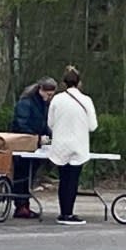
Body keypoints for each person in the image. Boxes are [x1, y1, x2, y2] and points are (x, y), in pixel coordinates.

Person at [47, 65, 98, 225]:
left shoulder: (56, 99)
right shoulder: (86, 100)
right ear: (79, 82)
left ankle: (63, 212)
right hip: (78, 145)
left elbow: (50, 123)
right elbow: (93, 126)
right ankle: (69, 213)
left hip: (60, 145)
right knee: (73, 180)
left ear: (64, 83)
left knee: (63, 179)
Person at [10, 77, 56, 218]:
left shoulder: (42, 105)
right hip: (24, 144)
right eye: (48, 95)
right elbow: (21, 125)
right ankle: (20, 204)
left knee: (28, 176)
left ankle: (24, 204)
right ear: (41, 90)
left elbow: (44, 124)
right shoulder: (26, 103)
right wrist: (36, 137)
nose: (49, 98)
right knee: (22, 175)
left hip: (36, 144)